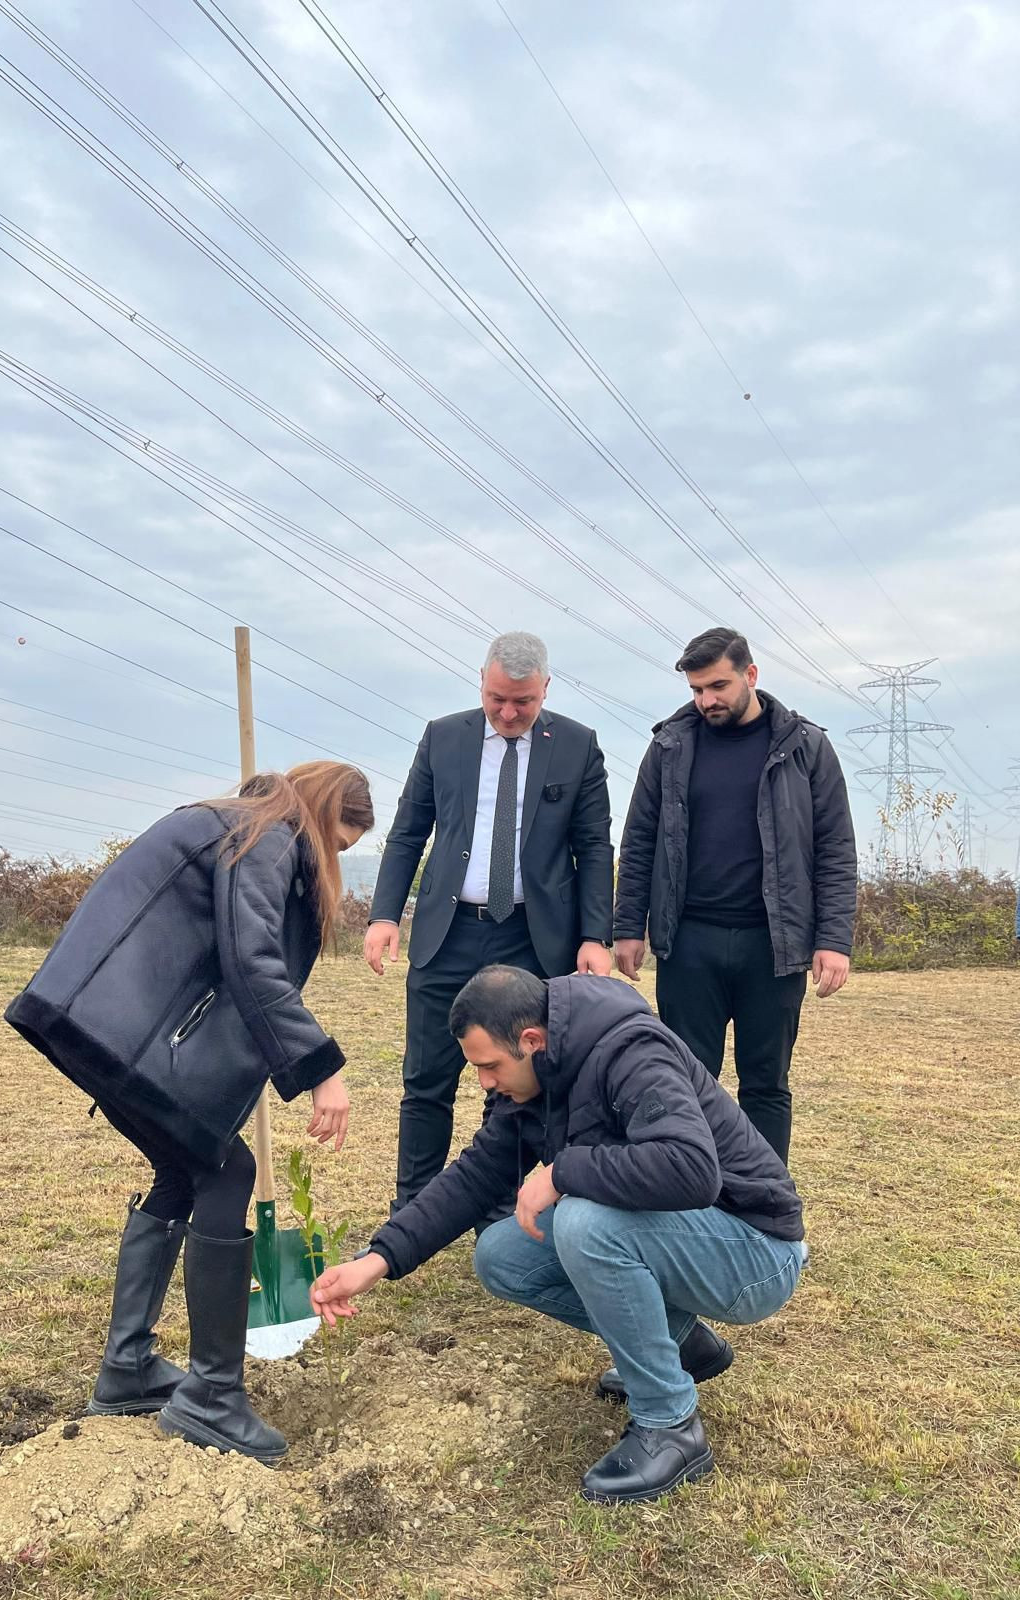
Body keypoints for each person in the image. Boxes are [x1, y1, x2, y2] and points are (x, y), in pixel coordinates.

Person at [309, 965, 805, 1505]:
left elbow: (690, 1169)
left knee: (584, 1223)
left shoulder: (631, 1050)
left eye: (490, 1066)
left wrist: (564, 1171)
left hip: (757, 1252)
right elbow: (473, 1179)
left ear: (532, 1040)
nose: (485, 1082)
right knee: (501, 1253)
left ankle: (671, 1427)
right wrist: (375, 1261)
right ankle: (682, 1343)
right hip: (694, 1241)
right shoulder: (530, 1080)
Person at [5, 762, 373, 1463]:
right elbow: (252, 956)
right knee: (226, 1170)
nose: (334, 866)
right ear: (326, 819)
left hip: (100, 1022)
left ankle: (129, 1367)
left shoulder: (237, 823)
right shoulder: (268, 837)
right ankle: (211, 1396)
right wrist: (323, 1068)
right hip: (116, 1029)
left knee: (190, 1166)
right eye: (342, 847)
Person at [365, 631, 613, 1212]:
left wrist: (594, 935)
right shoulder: (443, 738)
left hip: (532, 938)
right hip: (447, 934)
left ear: (545, 690)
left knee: (519, 1085)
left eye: (522, 702)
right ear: (482, 681)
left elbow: (594, 846)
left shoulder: (578, 746)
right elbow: (407, 833)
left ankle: (501, 1210)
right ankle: (414, 1212)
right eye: (497, 697)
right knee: (426, 1081)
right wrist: (383, 915)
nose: (507, 712)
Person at [613, 627, 857, 1163]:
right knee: (683, 1083)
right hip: (689, 943)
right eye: (697, 690)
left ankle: (764, 1216)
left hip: (773, 948)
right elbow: (639, 840)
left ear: (751, 675)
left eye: (718, 686)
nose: (706, 701)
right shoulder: (669, 747)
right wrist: (628, 927)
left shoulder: (806, 748)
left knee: (766, 1086)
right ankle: (689, 1201)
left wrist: (834, 939)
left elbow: (836, 849)